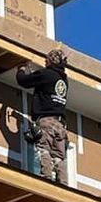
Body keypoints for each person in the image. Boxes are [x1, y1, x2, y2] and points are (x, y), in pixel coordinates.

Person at [16, 47, 71, 185]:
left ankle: (46, 179)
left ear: (51, 61)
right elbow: (43, 84)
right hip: (60, 125)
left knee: (43, 150)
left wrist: (21, 69)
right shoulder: (63, 80)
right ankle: (63, 183)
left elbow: (23, 81)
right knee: (59, 156)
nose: (45, 61)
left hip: (46, 121)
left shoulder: (47, 74)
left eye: (46, 59)